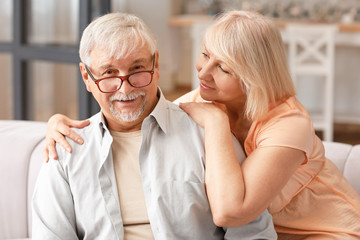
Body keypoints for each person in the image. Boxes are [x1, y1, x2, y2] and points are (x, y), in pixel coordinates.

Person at [44, 10, 360, 239]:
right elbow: (141, 110)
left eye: (222, 66)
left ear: (253, 77)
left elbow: (229, 213)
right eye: (205, 54)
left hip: (325, 231)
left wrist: (216, 121)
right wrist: (57, 123)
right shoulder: (202, 101)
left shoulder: (287, 122)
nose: (203, 73)